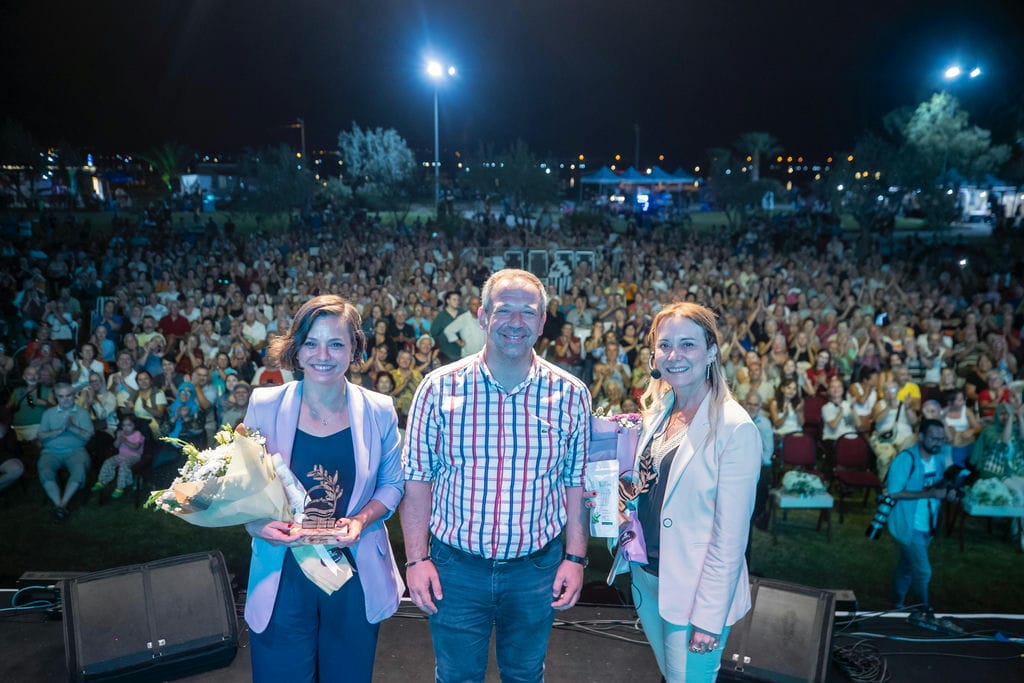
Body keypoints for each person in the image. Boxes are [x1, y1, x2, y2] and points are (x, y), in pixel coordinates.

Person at [400, 269, 591, 683]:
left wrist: (575, 558)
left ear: (543, 323)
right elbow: (416, 482)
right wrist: (416, 559)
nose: (516, 322)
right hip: (456, 568)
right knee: (456, 677)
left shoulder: (572, 394)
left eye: (529, 312)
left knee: (524, 676)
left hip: (536, 569)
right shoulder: (437, 389)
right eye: (505, 310)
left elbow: (576, 483)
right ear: (483, 316)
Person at [241, 295, 405, 683]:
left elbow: (393, 484)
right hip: (282, 573)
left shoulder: (380, 409)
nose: (323, 355)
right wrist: (256, 525)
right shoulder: (264, 404)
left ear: (354, 349)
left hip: (352, 571)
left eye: (336, 344)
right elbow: (244, 486)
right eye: (311, 343)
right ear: (296, 350)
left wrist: (362, 520)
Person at [614, 301, 760, 681]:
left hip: (695, 593)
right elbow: (651, 488)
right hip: (648, 578)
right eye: (665, 345)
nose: (674, 356)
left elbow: (730, 540)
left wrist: (709, 619)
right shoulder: (660, 410)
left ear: (711, 350)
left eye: (688, 344)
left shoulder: (735, 428)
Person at [886, 419, 955, 611]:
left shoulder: (939, 458)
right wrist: (930, 494)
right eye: (934, 438)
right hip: (909, 525)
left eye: (941, 439)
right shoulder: (905, 459)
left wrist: (948, 493)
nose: (938, 443)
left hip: (928, 524)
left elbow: (940, 486)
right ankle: (923, 609)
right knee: (923, 571)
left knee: (908, 564)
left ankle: (896, 603)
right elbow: (893, 492)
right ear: (921, 437)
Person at [38, 383, 95, 520]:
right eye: (61, 396)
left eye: (68, 395)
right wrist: (58, 431)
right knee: (44, 469)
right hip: (51, 451)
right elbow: (40, 435)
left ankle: (62, 504)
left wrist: (71, 427)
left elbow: (89, 435)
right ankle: (59, 505)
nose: (65, 399)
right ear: (56, 397)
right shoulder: (48, 414)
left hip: (76, 450)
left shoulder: (82, 413)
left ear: (74, 395)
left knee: (79, 469)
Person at [91, 415, 147, 498]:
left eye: (129, 425)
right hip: (121, 455)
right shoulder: (120, 433)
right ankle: (102, 481)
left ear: (134, 426)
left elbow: (136, 447)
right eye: (124, 425)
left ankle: (120, 487)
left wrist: (125, 440)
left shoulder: (137, 434)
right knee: (108, 462)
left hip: (134, 456)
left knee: (124, 464)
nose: (126, 428)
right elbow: (116, 446)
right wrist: (119, 439)